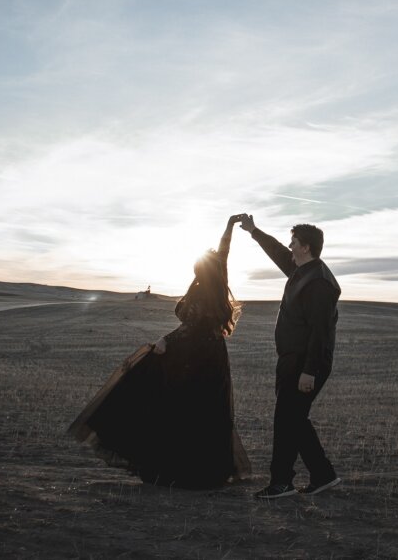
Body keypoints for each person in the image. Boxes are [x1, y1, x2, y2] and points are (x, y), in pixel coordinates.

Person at [68, 215, 251, 489]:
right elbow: (222, 253)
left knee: (184, 407)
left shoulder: (205, 292)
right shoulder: (211, 286)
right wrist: (227, 226)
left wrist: (164, 341)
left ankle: (185, 472)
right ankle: (199, 471)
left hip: (195, 356)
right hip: (209, 357)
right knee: (199, 411)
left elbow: (193, 328)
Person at [236, 214, 342, 499]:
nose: (289, 245)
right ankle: (323, 474)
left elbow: (321, 332)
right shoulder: (301, 271)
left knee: (286, 420)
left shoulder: (318, 282)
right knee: (295, 419)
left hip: (304, 363)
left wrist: (309, 370)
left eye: (293, 241)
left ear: (305, 247)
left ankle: (281, 482)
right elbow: (277, 252)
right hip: (293, 360)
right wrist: (254, 231)